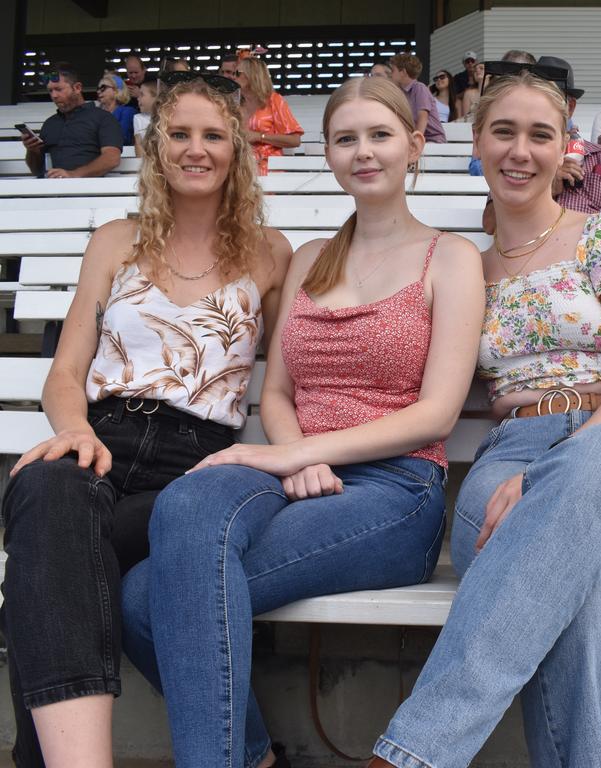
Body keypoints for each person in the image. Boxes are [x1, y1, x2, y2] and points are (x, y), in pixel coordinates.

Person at [120, 75, 484, 768]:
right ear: (327, 153)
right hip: (296, 470)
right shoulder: (313, 258)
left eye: (379, 135)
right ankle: (250, 755)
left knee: (150, 597)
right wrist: (295, 454)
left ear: (415, 145)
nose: (363, 152)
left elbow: (434, 413)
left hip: (396, 492)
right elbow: (279, 392)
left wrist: (291, 456)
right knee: (178, 520)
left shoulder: (452, 258)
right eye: (345, 139)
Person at [369, 71, 601, 768]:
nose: (520, 150)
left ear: (566, 152)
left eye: (539, 135)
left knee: (598, 463)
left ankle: (417, 751)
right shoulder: (463, 267)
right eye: (503, 131)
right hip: (508, 457)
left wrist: (555, 477)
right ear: (476, 142)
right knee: (583, 603)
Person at [0, 72, 291, 768]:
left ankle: (38, 757)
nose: (197, 149)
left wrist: (293, 457)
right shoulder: (115, 241)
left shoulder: (270, 252)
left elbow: (282, 383)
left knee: (59, 543)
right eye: (180, 134)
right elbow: (65, 373)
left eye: (213, 135)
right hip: (100, 436)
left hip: (192, 466)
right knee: (45, 488)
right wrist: (73, 430)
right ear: (157, 148)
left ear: (236, 149)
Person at [480, 55, 601, 235]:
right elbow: (490, 224)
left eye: (554, 98)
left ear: (570, 107)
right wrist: (544, 187)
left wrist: (574, 234)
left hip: (585, 253)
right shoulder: (516, 161)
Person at [23, 63, 122, 179]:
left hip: (93, 191)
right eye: (50, 91)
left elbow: (112, 158)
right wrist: (32, 151)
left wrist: (74, 174)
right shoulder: (50, 124)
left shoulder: (103, 118)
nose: (54, 95)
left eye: (58, 89)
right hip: (56, 190)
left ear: (77, 88)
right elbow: (37, 171)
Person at [237, 55, 304, 174]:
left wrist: (259, 136)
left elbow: (295, 140)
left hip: (268, 168)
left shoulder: (274, 101)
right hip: (240, 166)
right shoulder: (235, 104)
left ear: (251, 75)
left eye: (237, 73)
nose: (233, 76)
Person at [390, 52, 446, 143]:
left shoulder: (419, 88)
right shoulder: (402, 92)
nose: (390, 74)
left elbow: (422, 117)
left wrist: (416, 141)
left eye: (393, 71)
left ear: (403, 72)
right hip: (420, 139)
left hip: (433, 140)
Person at [96, 72, 138, 147]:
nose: (98, 91)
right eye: (98, 89)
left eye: (103, 88)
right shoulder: (95, 113)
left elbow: (123, 137)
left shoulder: (128, 111)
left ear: (116, 90)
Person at [133, 73, 159, 154]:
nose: (138, 98)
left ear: (156, 97)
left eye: (142, 95)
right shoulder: (138, 118)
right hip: (146, 163)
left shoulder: (168, 117)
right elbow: (138, 144)